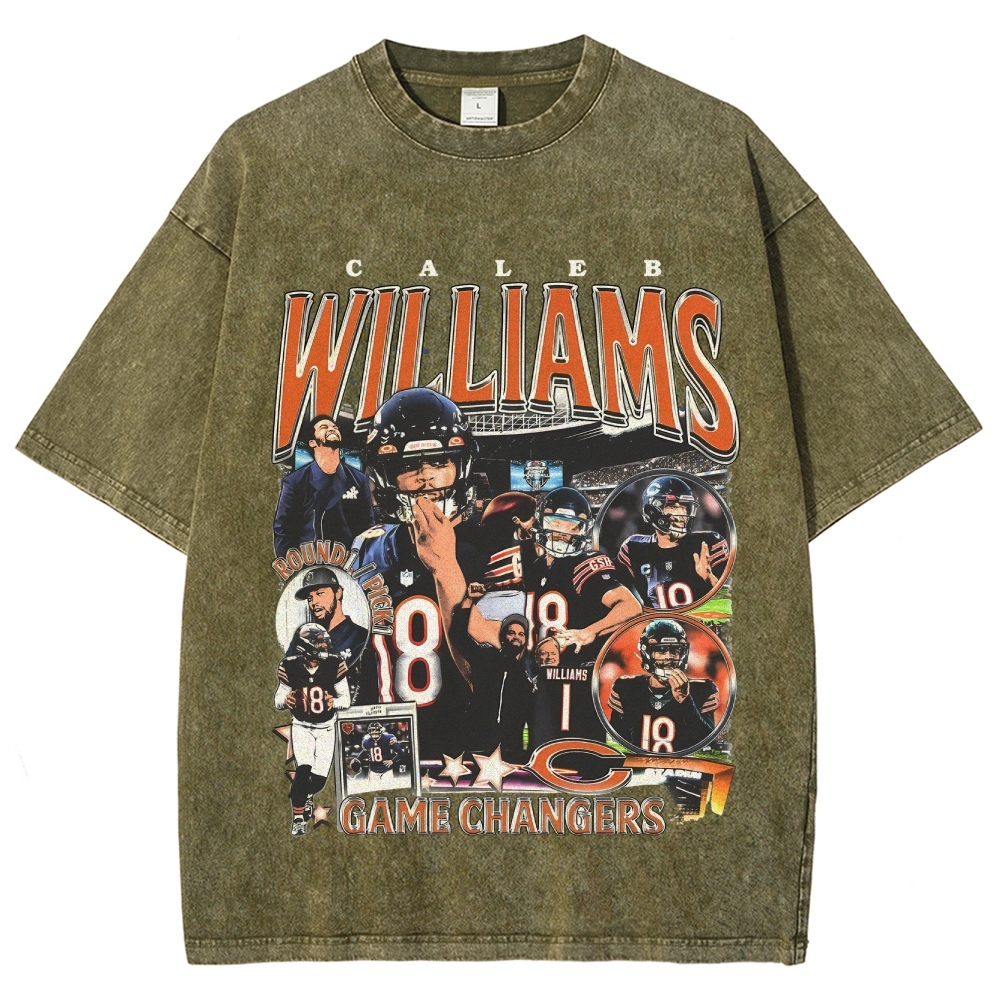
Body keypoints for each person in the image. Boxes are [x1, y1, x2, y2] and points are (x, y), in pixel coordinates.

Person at [351, 388, 488, 758]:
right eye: (409, 466)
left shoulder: (494, 548)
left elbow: (492, 674)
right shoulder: (370, 546)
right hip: (380, 747)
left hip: (464, 758)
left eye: (440, 462)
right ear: (386, 476)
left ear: (461, 465)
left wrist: (445, 566)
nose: (427, 478)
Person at [508, 486, 642, 743]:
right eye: (556, 523)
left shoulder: (585, 565)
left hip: (574, 678)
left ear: (583, 530)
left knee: (579, 753)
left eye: (572, 526)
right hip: (541, 679)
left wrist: (588, 632)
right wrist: (525, 540)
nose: (563, 532)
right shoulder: (539, 566)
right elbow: (536, 577)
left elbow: (630, 606)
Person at [273, 622, 352, 837]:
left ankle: (306, 795)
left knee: (317, 782)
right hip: (302, 726)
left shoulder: (334, 664)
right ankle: (298, 818)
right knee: (303, 771)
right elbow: (278, 699)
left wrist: (334, 702)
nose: (325, 646)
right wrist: (286, 700)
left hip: (326, 728)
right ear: (305, 646)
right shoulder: (290, 665)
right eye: (319, 643)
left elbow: (345, 699)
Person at [448, 583, 535, 761]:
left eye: (521, 634)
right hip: (476, 742)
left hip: (508, 751)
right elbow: (457, 636)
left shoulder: (525, 677)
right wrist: (469, 600)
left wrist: (523, 751)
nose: (516, 637)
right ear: (503, 636)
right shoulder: (487, 656)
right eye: (511, 632)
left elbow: (528, 720)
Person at [616, 476, 730, 610]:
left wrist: (710, 578)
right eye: (673, 507)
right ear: (652, 512)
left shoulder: (709, 544)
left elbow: (729, 606)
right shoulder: (633, 548)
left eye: (685, 507)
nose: (681, 514)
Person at [608, 618, 719, 755]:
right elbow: (615, 745)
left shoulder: (702, 690)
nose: (669, 657)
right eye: (661, 650)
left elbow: (708, 745)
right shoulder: (626, 688)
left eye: (675, 651)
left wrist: (685, 701)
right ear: (647, 654)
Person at [273, 414, 375, 558]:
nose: (332, 429)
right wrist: (290, 566)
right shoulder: (295, 482)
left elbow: (368, 527)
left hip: (349, 562)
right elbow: (283, 528)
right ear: (312, 442)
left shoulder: (359, 480)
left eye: (334, 427)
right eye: (324, 427)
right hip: (309, 562)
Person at [289, 566, 369, 683]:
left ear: (338, 593)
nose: (314, 602)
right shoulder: (302, 637)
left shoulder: (361, 637)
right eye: (310, 598)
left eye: (320, 593)